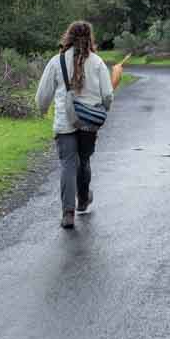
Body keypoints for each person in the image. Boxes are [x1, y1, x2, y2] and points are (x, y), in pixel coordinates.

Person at [36, 21, 120, 229]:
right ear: (90, 38)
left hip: (65, 122)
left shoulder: (57, 62)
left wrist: (43, 110)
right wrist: (104, 108)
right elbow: (108, 95)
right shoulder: (98, 62)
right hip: (89, 122)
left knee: (67, 164)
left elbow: (41, 97)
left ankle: (68, 213)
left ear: (68, 37)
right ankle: (83, 199)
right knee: (83, 160)